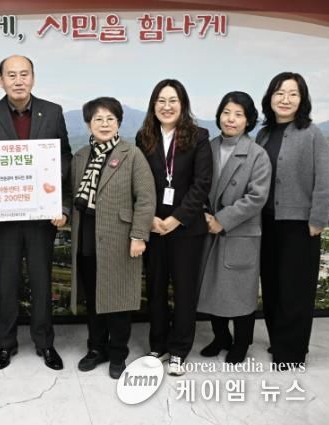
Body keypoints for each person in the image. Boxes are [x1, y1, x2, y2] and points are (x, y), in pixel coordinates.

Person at [0, 55, 73, 370]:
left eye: (24, 74)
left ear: (33, 77)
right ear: (1, 80)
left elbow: (65, 156)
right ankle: (6, 344)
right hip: (3, 217)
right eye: (12, 75)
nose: (18, 81)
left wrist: (56, 196)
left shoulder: (52, 112)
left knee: (42, 282)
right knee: (6, 282)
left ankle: (45, 344)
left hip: (41, 216)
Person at [70, 97, 155, 379]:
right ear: (88, 124)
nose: (104, 124)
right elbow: (71, 195)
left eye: (110, 119)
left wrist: (139, 235)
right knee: (94, 300)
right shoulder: (81, 156)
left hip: (120, 239)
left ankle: (118, 354)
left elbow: (146, 198)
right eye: (98, 119)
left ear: (119, 122)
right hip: (86, 238)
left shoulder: (132, 154)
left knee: (118, 301)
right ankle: (96, 349)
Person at [257, 72, 329, 370]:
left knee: (295, 289)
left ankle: (291, 352)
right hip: (266, 222)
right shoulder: (264, 134)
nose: (285, 99)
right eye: (279, 93)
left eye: (292, 94)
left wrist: (318, 219)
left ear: (302, 100)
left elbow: (325, 180)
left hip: (300, 225)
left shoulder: (311, 133)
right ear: (270, 98)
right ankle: (279, 340)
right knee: (272, 285)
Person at [135, 79, 212, 376]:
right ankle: (158, 345)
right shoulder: (144, 137)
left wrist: (175, 219)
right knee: (155, 288)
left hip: (186, 229)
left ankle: (179, 349)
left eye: (173, 101)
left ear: (183, 105)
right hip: (153, 226)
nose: (166, 107)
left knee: (184, 291)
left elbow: (201, 184)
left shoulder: (199, 137)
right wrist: (151, 218)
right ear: (153, 105)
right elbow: (139, 182)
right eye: (161, 101)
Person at [196, 92, 271, 364]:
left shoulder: (257, 154)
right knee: (212, 288)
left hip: (239, 232)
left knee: (239, 293)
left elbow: (257, 197)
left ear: (248, 120)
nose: (231, 119)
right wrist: (204, 215)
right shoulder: (208, 147)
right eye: (226, 112)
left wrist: (222, 220)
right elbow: (196, 184)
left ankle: (241, 343)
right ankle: (221, 338)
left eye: (239, 114)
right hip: (207, 228)